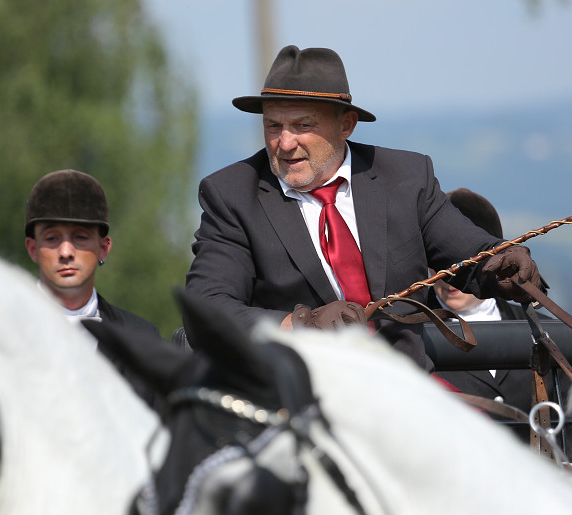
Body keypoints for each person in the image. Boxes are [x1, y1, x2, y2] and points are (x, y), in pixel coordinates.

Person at [184, 45, 544, 371]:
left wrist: (505, 264)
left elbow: (470, 254)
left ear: (346, 125)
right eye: (273, 126)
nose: (285, 142)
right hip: (296, 402)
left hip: (403, 393)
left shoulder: (408, 178)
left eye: (302, 125)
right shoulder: (231, 195)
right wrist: (300, 325)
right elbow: (207, 309)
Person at [24, 169, 161, 401]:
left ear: (104, 247)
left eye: (80, 237)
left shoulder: (141, 340)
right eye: (52, 238)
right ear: (33, 248)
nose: (66, 252)